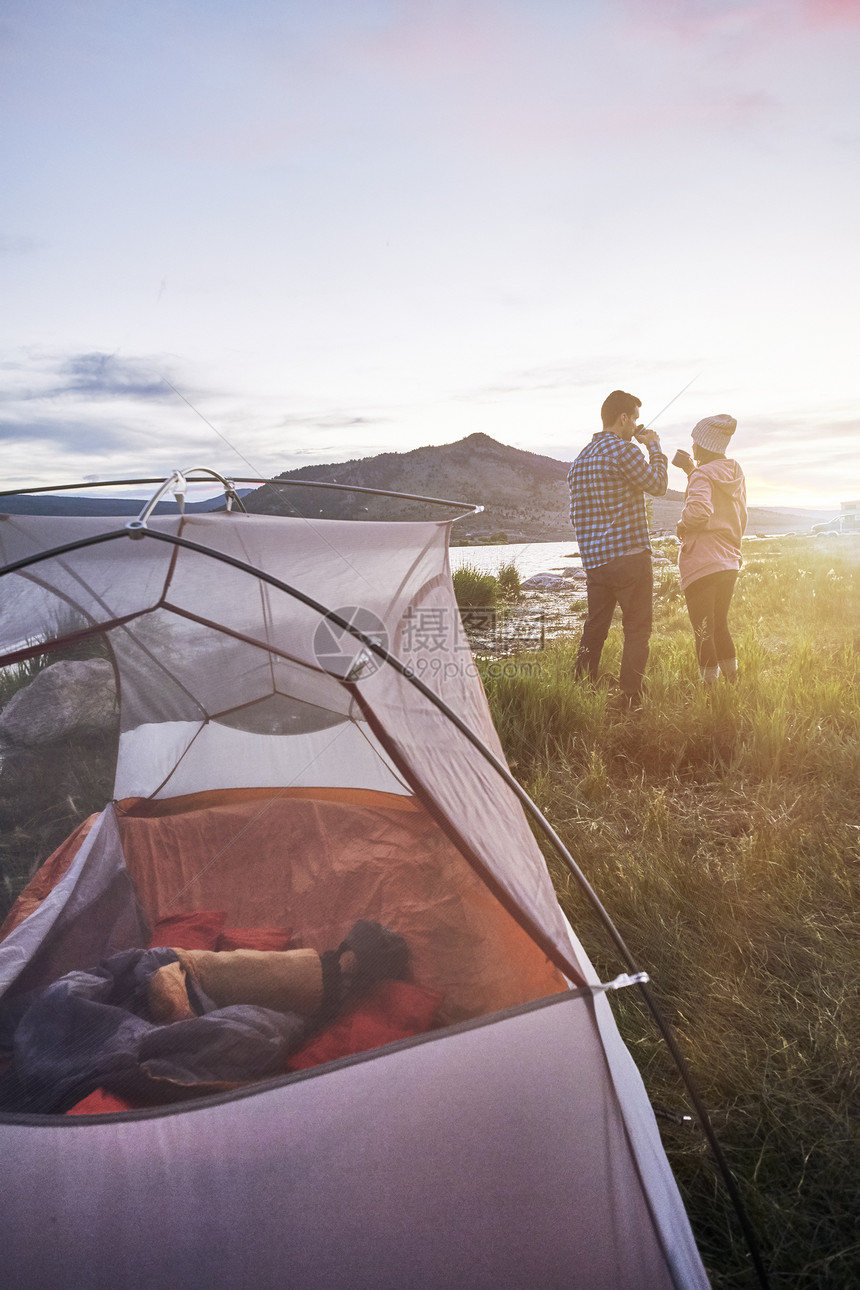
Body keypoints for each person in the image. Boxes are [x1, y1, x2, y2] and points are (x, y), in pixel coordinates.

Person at [568, 389, 667, 704]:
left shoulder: (580, 459)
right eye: (634, 418)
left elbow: (578, 515)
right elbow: (658, 485)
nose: (635, 425)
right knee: (637, 629)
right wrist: (654, 447)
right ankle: (630, 696)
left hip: (596, 562)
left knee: (594, 628)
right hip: (629, 557)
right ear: (623, 418)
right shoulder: (625, 451)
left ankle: (581, 685)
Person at [673, 414, 747, 685]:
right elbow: (738, 513)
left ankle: (709, 693)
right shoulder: (735, 472)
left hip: (703, 562)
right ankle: (733, 683)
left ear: (704, 445)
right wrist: (691, 470)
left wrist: (682, 523)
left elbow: (700, 511)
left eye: (695, 442)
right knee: (719, 626)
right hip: (728, 561)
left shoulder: (702, 475)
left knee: (703, 631)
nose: (692, 447)